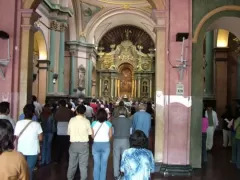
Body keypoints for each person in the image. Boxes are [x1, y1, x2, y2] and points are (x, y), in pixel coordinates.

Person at [14, 104, 43, 180]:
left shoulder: (18, 123)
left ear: (24, 113)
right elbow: (40, 138)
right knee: (29, 170)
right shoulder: (37, 124)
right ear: (33, 114)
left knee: (21, 169)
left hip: (21, 150)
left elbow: (16, 136)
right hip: (33, 151)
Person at [67, 105, 92, 180]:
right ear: (84, 112)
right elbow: (89, 133)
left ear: (76, 111)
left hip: (73, 144)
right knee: (83, 165)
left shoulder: (72, 120)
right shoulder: (87, 121)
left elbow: (69, 133)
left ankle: (69, 178)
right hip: (83, 145)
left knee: (72, 164)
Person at [91, 109, 112, 180]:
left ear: (97, 115)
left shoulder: (93, 123)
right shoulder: (108, 124)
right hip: (106, 145)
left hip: (96, 144)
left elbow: (92, 136)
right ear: (106, 115)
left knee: (96, 164)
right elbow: (110, 135)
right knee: (104, 164)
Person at [112, 107, 132, 179]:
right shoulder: (129, 121)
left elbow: (113, 132)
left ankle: (116, 174)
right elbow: (130, 132)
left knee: (116, 157)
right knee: (125, 158)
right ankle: (125, 173)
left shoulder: (114, 120)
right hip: (126, 140)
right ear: (125, 112)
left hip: (116, 140)